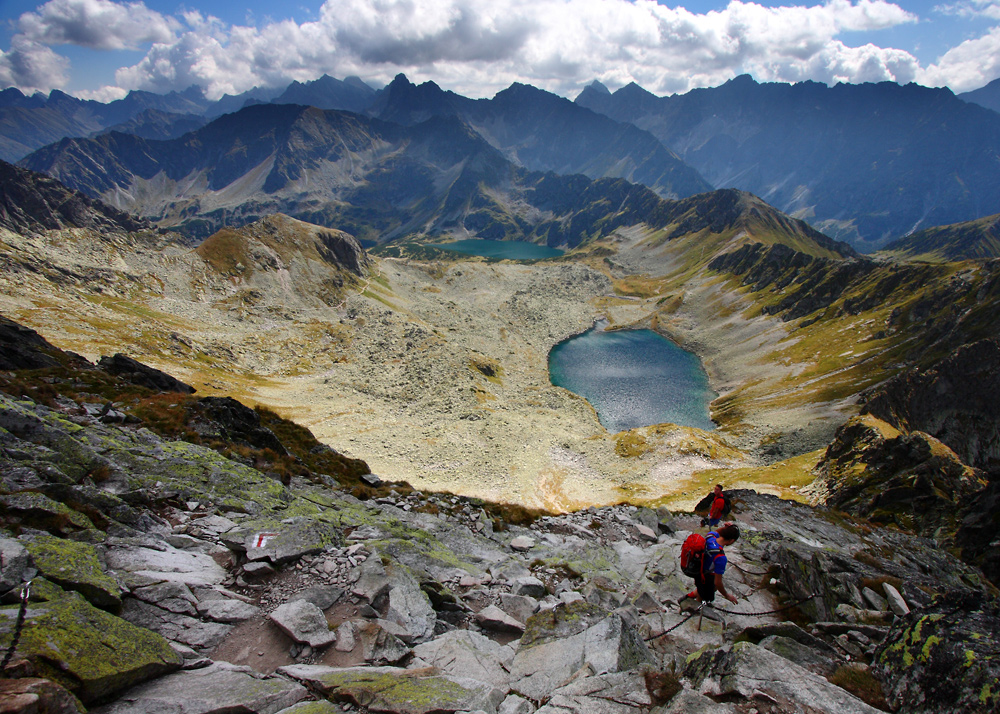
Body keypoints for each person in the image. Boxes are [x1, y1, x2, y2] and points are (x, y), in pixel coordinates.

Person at [678, 522, 740, 607]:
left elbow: (718, 531)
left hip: (697, 570)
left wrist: (724, 528)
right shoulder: (721, 557)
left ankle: (687, 598)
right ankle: (693, 607)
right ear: (732, 540)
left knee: (701, 589)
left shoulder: (710, 537)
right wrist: (727, 595)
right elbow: (718, 582)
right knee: (708, 593)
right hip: (706, 577)